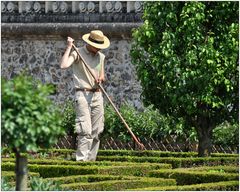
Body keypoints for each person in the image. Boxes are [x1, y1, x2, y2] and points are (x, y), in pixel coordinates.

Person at [60, 30, 110, 161]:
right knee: (85, 130)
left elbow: (102, 75)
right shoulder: (78, 53)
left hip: (98, 95)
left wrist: (101, 79)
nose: (99, 48)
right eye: (97, 46)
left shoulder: (100, 57)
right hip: (82, 94)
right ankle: (81, 162)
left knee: (97, 131)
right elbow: (63, 65)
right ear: (90, 43)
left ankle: (90, 161)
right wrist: (69, 47)